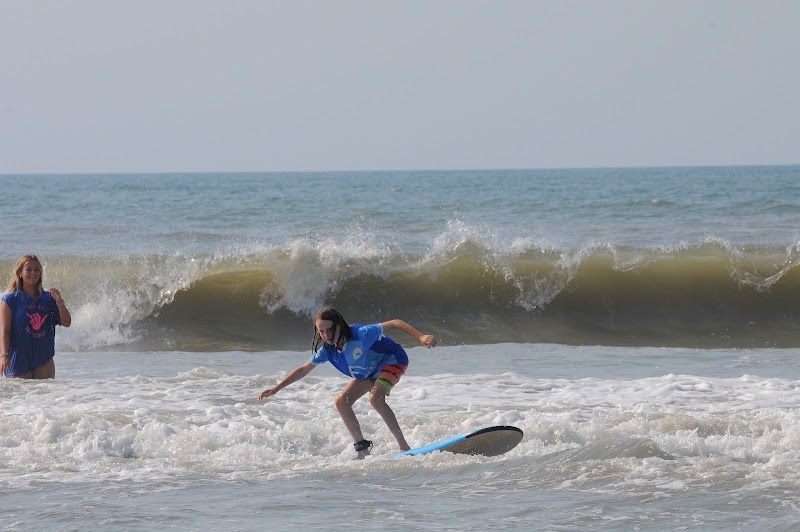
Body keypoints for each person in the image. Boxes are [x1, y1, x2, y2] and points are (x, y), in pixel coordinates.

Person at [258, 306, 437, 458]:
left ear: (339, 326)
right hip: (368, 371)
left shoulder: (360, 333)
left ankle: (404, 447)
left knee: (375, 399)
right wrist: (277, 388)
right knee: (341, 402)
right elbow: (304, 369)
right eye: (321, 331)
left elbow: (395, 323)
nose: (326, 335)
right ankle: (362, 449)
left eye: (329, 329)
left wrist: (420, 337)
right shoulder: (327, 351)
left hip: (392, 359)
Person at [1, 254, 72, 379]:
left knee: (44, 397)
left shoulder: (49, 298)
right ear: (20, 273)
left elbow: (66, 323)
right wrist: (4, 355)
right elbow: (5, 331)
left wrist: (60, 302)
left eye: (36, 269)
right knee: (21, 398)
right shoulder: (10, 299)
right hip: (18, 359)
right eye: (28, 269)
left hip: (43, 358)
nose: (33, 273)